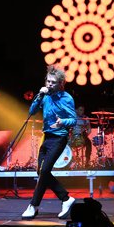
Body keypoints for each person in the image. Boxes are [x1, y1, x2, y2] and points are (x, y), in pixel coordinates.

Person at [22, 65, 77, 219]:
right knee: (41, 172)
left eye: (53, 82)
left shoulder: (66, 98)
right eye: (48, 81)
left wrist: (63, 122)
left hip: (59, 138)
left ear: (60, 84)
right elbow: (32, 111)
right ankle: (66, 199)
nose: (49, 84)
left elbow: (73, 120)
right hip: (46, 137)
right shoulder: (45, 96)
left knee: (45, 171)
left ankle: (33, 205)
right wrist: (39, 95)